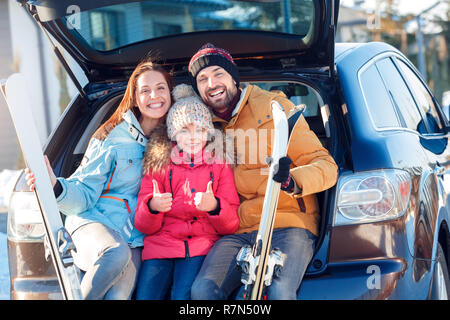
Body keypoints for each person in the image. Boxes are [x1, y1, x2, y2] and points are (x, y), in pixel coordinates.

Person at [189, 43, 338, 300]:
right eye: (202, 79)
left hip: (289, 224)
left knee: (277, 291)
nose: (211, 83)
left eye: (218, 74)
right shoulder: (200, 126)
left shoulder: (274, 108)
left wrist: (292, 181)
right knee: (203, 291)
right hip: (238, 230)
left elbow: (326, 166)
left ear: (234, 78)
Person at [25, 59, 174, 299]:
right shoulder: (113, 136)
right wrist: (54, 185)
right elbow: (84, 192)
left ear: (170, 92)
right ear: (135, 98)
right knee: (116, 253)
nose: (154, 95)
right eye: (145, 90)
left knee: (119, 295)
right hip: (93, 223)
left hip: (134, 237)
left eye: (160, 88)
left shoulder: (179, 139)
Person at [133, 84, 240, 300]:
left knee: (182, 296)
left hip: (200, 246)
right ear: (173, 134)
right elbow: (143, 225)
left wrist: (215, 206)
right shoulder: (158, 164)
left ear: (208, 133)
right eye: (184, 130)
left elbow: (232, 224)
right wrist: (153, 207)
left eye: (200, 130)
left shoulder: (219, 164)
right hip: (160, 245)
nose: (193, 137)